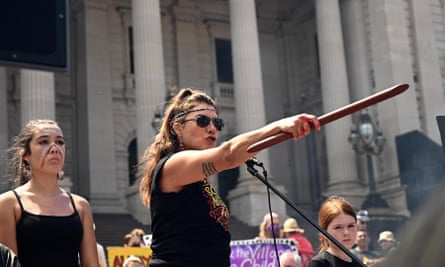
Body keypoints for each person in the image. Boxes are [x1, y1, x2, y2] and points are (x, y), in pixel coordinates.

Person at [137, 88, 320, 266]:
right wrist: (279, 126)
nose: (212, 129)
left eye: (217, 124)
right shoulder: (173, 165)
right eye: (202, 121)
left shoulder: (197, 178)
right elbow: (228, 155)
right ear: (178, 128)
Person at [0, 119, 99, 267]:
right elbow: (8, 263)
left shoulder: (81, 206)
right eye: (43, 142)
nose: (54, 148)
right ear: (26, 155)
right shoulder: (8, 204)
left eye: (60, 142)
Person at [308, 196, 362, 267]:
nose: (346, 232)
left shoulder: (358, 263)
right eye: (338, 227)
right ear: (324, 232)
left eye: (351, 226)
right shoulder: (319, 264)